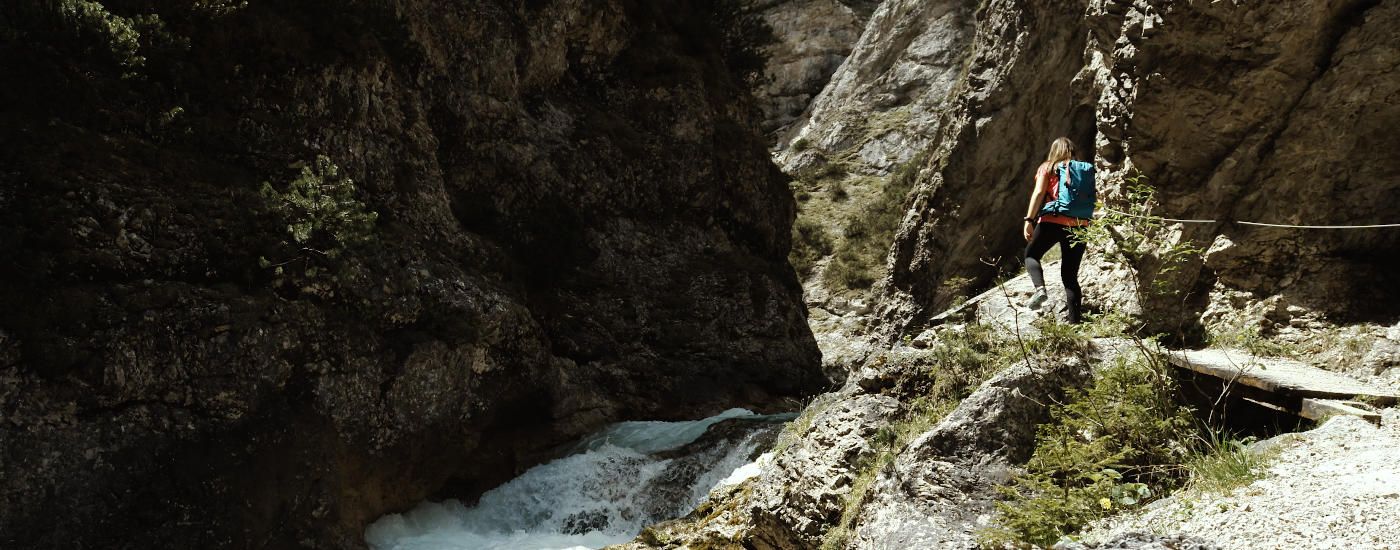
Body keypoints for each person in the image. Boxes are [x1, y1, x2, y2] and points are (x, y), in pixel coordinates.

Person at [1021, 137, 1090, 324]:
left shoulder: (1048, 167)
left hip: (1053, 220)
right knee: (1070, 276)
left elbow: (1038, 193)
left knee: (1031, 255)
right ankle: (1076, 324)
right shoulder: (1083, 169)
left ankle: (1040, 289)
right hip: (1080, 225)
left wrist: (1029, 219)